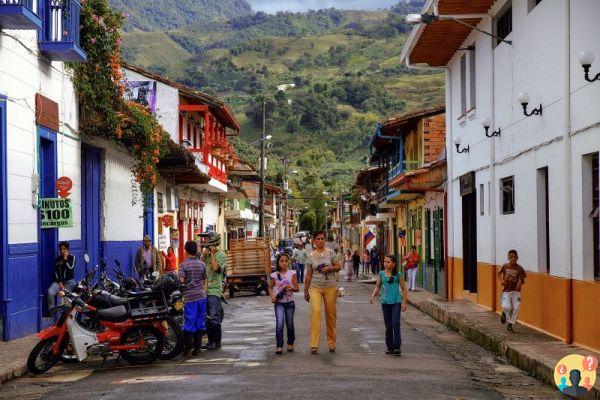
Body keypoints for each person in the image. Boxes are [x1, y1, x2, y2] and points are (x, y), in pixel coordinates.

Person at [304, 230, 342, 354]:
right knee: (316, 312)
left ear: (325, 240)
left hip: (330, 287)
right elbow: (309, 274)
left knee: (331, 315)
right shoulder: (310, 255)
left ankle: (332, 342)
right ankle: (314, 344)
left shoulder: (331, 253)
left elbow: (339, 266)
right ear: (314, 241)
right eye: (318, 239)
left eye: (322, 239)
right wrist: (306, 290)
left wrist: (330, 268)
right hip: (315, 288)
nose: (320, 241)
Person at [370, 255, 408, 356]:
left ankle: (397, 347)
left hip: (396, 301)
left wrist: (404, 302)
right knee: (388, 325)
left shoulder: (398, 275)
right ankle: (390, 347)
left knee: (396, 323)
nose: (386, 264)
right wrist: (373, 296)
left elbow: (404, 289)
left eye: (388, 262)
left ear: (394, 264)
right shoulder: (381, 274)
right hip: (385, 302)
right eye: (385, 262)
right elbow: (377, 287)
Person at [179, 240, 207, 356]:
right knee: (199, 321)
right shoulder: (202, 264)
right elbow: (204, 280)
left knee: (189, 322)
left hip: (190, 297)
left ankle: (187, 348)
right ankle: (197, 348)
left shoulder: (183, 265)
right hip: (201, 296)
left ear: (186, 250)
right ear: (196, 251)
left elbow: (181, 281)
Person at [200, 232, 226, 351]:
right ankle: (210, 341)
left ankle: (217, 342)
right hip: (204, 291)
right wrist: (205, 253)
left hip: (214, 291)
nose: (205, 241)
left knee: (215, 317)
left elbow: (215, 268)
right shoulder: (206, 255)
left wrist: (213, 254)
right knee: (207, 318)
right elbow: (201, 265)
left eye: (207, 239)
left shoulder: (221, 255)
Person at [269, 253, 299, 354]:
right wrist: (272, 296)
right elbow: (270, 287)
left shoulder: (292, 274)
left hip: (290, 303)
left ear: (289, 262)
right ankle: (279, 345)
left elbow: (297, 288)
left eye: (286, 261)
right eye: (282, 261)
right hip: (279, 303)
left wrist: (291, 288)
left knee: (290, 324)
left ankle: (290, 343)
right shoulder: (274, 275)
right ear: (278, 262)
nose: (284, 263)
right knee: (279, 324)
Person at [497, 249, 526, 332]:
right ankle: (504, 313)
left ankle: (510, 325)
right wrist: (501, 281)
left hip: (517, 293)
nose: (513, 259)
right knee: (507, 306)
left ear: (517, 258)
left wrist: (519, 284)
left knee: (516, 308)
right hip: (506, 291)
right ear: (508, 258)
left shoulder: (520, 268)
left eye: (514, 257)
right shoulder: (505, 266)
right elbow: (498, 273)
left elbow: (522, 279)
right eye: (511, 257)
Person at [46, 241, 76, 314]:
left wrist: (66, 260)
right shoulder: (58, 259)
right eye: (61, 249)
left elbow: (71, 268)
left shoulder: (72, 257)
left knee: (64, 297)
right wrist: (60, 284)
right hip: (59, 282)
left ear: (67, 249)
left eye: (64, 249)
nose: (62, 251)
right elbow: (56, 272)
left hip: (69, 281)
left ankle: (64, 315)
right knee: (50, 292)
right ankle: (52, 311)